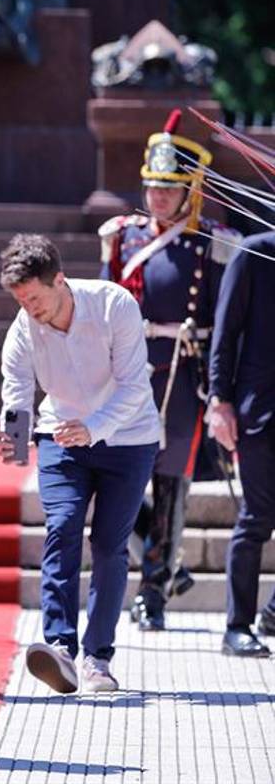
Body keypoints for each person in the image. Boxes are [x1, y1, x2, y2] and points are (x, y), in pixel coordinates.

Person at [0, 234, 160, 694]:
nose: (29, 309)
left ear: (60, 281)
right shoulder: (24, 326)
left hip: (129, 438)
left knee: (110, 544)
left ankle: (98, 657)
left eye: (34, 298)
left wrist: (96, 427)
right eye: (20, 300)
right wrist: (15, 435)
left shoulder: (114, 306)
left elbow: (133, 387)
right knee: (62, 525)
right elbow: (16, 386)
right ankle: (60, 647)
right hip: (62, 437)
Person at [99, 109, 240, 631]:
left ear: (191, 191)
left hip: (183, 373)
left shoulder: (213, 242)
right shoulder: (122, 237)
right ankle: (165, 564)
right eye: (152, 186)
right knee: (115, 480)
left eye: (169, 188)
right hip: (128, 372)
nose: (158, 196)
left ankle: (154, 590)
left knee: (169, 480)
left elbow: (226, 318)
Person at [208, 232, 275, 657]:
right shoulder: (255, 252)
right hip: (261, 411)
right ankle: (238, 625)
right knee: (258, 518)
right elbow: (225, 331)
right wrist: (219, 400)